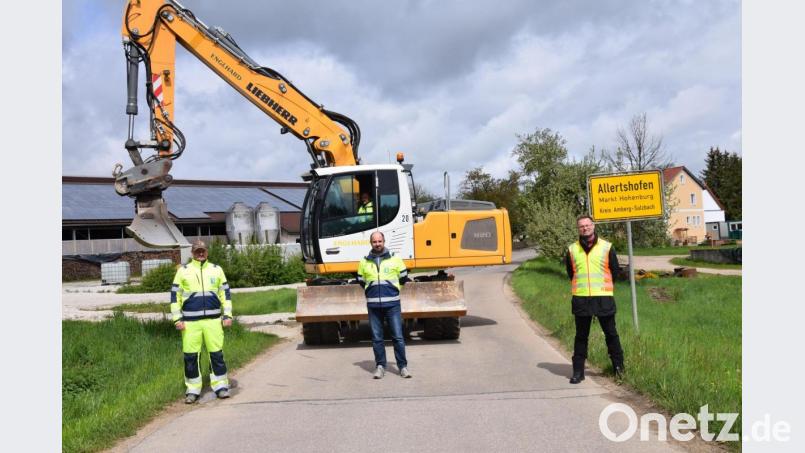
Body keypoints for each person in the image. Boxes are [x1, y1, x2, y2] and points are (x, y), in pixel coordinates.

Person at [171, 239, 233, 403]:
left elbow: (225, 295)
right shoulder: (183, 271)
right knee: (191, 357)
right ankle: (192, 390)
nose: (200, 253)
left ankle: (221, 387)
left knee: (216, 355)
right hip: (190, 323)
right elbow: (174, 296)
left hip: (213, 321)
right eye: (197, 251)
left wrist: (227, 315)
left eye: (202, 251)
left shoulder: (216, 270)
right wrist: (177, 319)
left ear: (207, 252)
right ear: (192, 253)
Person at [565, 215, 625, 384]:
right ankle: (578, 372)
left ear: (593, 226)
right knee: (581, 336)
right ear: (578, 229)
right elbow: (571, 273)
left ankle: (619, 369)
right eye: (581, 226)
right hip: (581, 298)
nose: (585, 228)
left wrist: (604, 288)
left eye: (587, 225)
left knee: (611, 334)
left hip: (603, 298)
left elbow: (615, 271)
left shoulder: (607, 247)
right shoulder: (571, 249)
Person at [357, 231, 411, 379]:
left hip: (392, 304)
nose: (377, 244)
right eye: (374, 242)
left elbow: (403, 278)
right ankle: (380, 366)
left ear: (384, 241)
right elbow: (361, 281)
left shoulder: (395, 258)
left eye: (380, 241)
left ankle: (403, 367)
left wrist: (393, 290)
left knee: (398, 337)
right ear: (371, 243)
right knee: (376, 338)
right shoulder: (364, 261)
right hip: (373, 306)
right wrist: (371, 292)